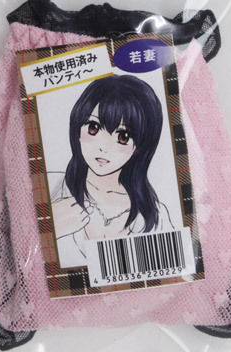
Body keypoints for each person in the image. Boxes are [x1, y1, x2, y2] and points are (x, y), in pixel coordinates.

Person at [51, 74, 174, 267]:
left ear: (141, 146)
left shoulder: (154, 214)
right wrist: (48, 227)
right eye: (93, 128)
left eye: (123, 137)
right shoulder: (51, 187)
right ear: (77, 128)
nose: (104, 147)